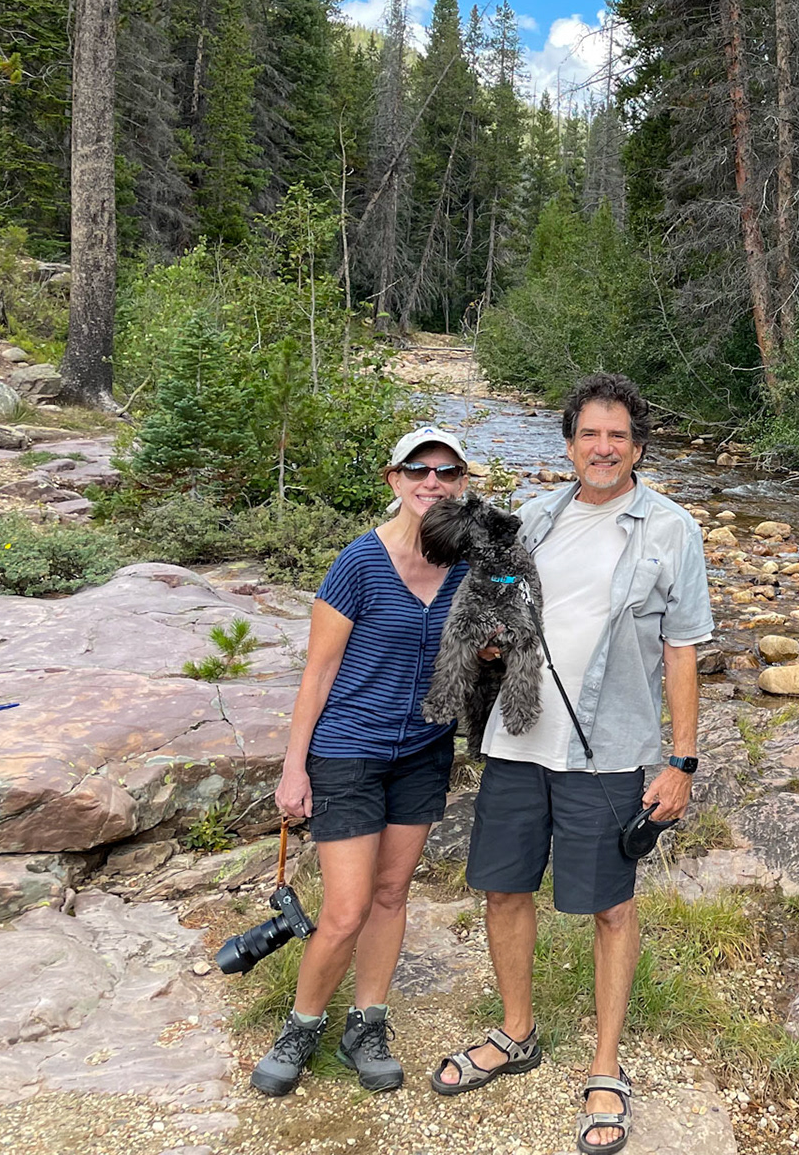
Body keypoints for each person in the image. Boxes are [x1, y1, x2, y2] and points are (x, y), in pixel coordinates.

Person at [430, 372, 712, 1155]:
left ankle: (606, 1066)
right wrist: (490, 648)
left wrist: (682, 761)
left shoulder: (672, 531)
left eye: (618, 435)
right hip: (516, 742)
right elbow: (497, 614)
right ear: (569, 445)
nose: (604, 447)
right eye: (591, 433)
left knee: (611, 908)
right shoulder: (536, 518)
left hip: (609, 752)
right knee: (503, 890)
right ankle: (517, 1031)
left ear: (639, 447)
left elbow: (682, 649)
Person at [250, 426, 473, 1097]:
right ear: (394, 480)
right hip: (348, 751)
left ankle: (365, 1025)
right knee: (345, 910)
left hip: (424, 753)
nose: (432, 482)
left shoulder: (468, 566)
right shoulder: (359, 563)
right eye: (418, 469)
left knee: (391, 894)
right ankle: (301, 1026)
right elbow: (318, 673)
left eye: (447, 472)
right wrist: (294, 768)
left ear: (462, 484)